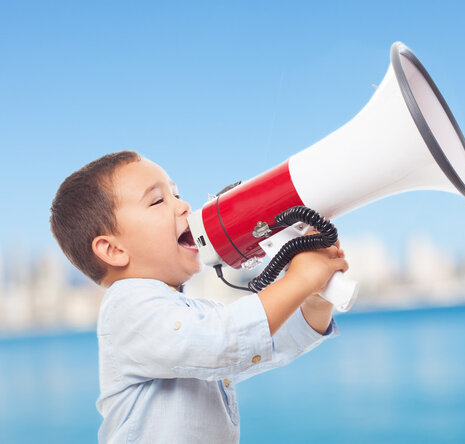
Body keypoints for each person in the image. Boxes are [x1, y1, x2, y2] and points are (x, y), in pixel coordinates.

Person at [49, 150, 349, 443]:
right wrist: (299, 280)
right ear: (113, 250)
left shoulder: (189, 312)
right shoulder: (127, 306)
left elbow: (265, 343)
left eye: (177, 195)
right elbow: (225, 340)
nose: (184, 206)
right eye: (157, 201)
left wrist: (313, 299)